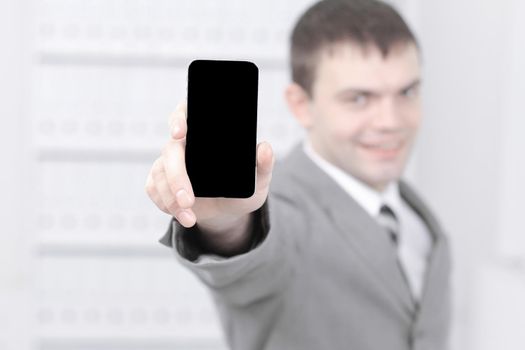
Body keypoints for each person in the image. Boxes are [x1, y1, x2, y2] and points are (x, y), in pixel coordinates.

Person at [145, 0, 451, 349]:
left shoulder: (419, 218)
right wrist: (226, 224)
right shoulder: (284, 208)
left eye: (406, 92)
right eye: (359, 99)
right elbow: (257, 257)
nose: (391, 121)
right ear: (301, 105)